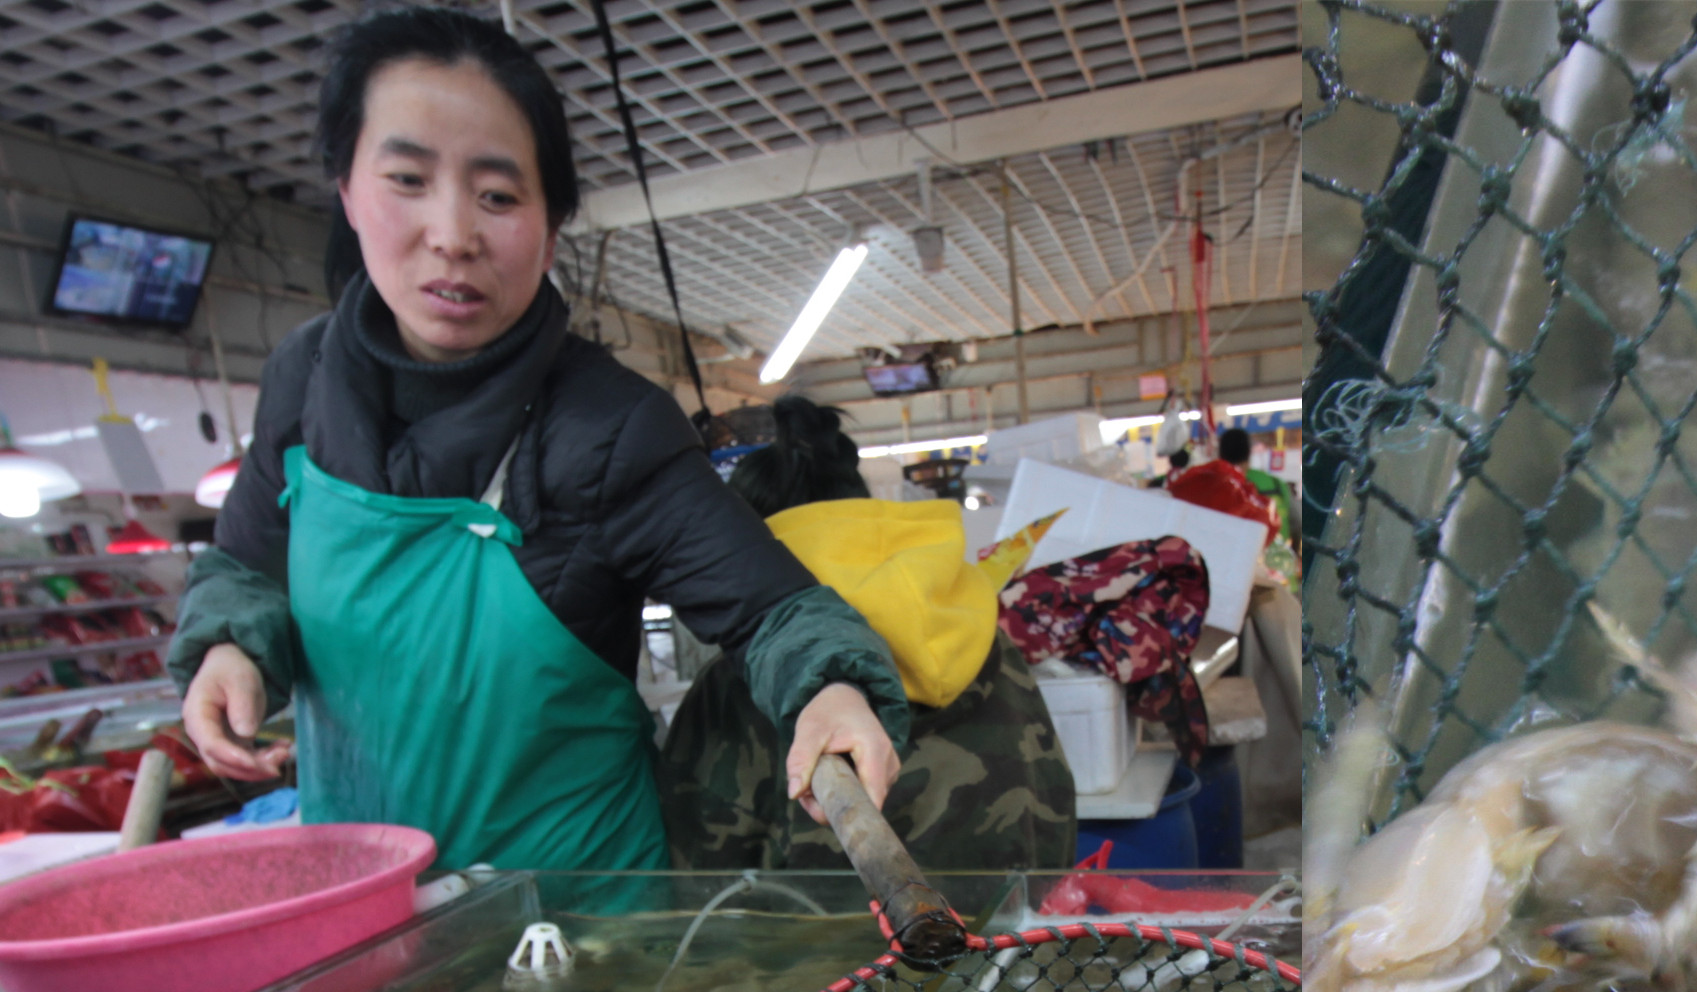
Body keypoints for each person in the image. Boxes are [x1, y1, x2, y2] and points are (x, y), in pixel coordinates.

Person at [169, 7, 908, 871]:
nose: (452, 234)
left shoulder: (610, 427)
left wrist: (833, 688)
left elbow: (779, 611)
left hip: (578, 935)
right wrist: (230, 641)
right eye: (407, 178)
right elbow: (247, 564)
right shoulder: (302, 381)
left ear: (551, 226)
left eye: (497, 196)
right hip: (364, 907)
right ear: (348, 190)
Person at [661, 397, 1078, 873]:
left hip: (838, 944)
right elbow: (1053, 801)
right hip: (1013, 936)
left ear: (738, 538)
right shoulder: (977, 625)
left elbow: (701, 880)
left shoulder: (745, 675)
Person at [1166, 427, 1277, 543]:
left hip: (1184, 555)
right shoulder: (1251, 499)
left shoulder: (1194, 478)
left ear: (1220, 453)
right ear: (1248, 458)